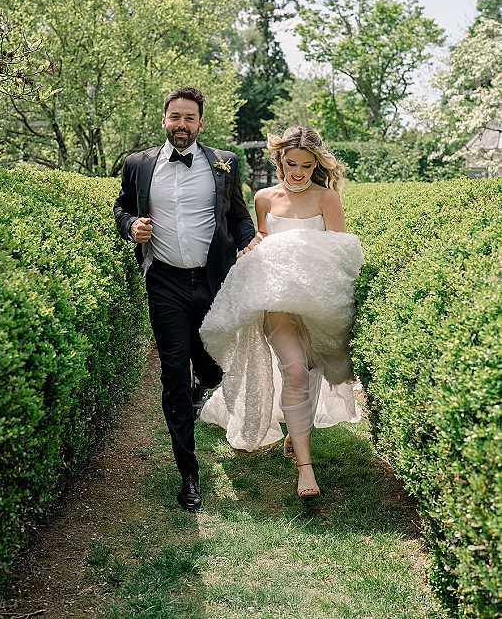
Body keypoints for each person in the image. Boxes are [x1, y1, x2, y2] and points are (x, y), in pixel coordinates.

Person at [199, 126, 364, 499]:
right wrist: (254, 246)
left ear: (316, 165)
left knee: (312, 368)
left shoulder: (328, 198)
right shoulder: (264, 198)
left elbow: (339, 253)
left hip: (317, 297)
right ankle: (306, 470)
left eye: (307, 165)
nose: (298, 172)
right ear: (279, 160)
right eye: (292, 164)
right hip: (275, 297)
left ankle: (297, 428)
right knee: (293, 368)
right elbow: (263, 239)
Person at [113, 86, 255, 511]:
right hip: (165, 282)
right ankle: (189, 473)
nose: (181, 124)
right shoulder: (137, 165)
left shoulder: (224, 162)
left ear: (200, 124)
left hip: (213, 280)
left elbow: (238, 215)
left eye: (189, 118)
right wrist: (130, 226)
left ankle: (204, 383)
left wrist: (250, 243)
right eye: (175, 116)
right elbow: (121, 207)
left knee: (211, 366)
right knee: (173, 369)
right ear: (164, 120)